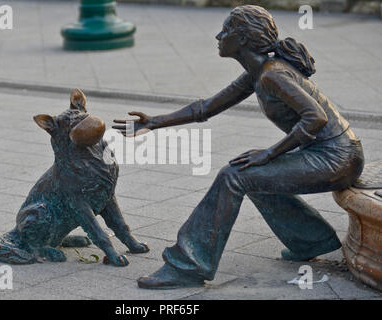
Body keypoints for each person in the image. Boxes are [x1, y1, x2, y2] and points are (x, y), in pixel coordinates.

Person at [113, 5, 364, 289]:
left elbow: (315, 117)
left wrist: (270, 152)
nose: (219, 35)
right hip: (332, 152)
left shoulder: (272, 74)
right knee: (251, 170)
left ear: (243, 39)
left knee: (233, 175)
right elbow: (206, 107)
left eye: (227, 30)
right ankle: (311, 239)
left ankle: (188, 265)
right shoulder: (258, 72)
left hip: (337, 158)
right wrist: (154, 122)